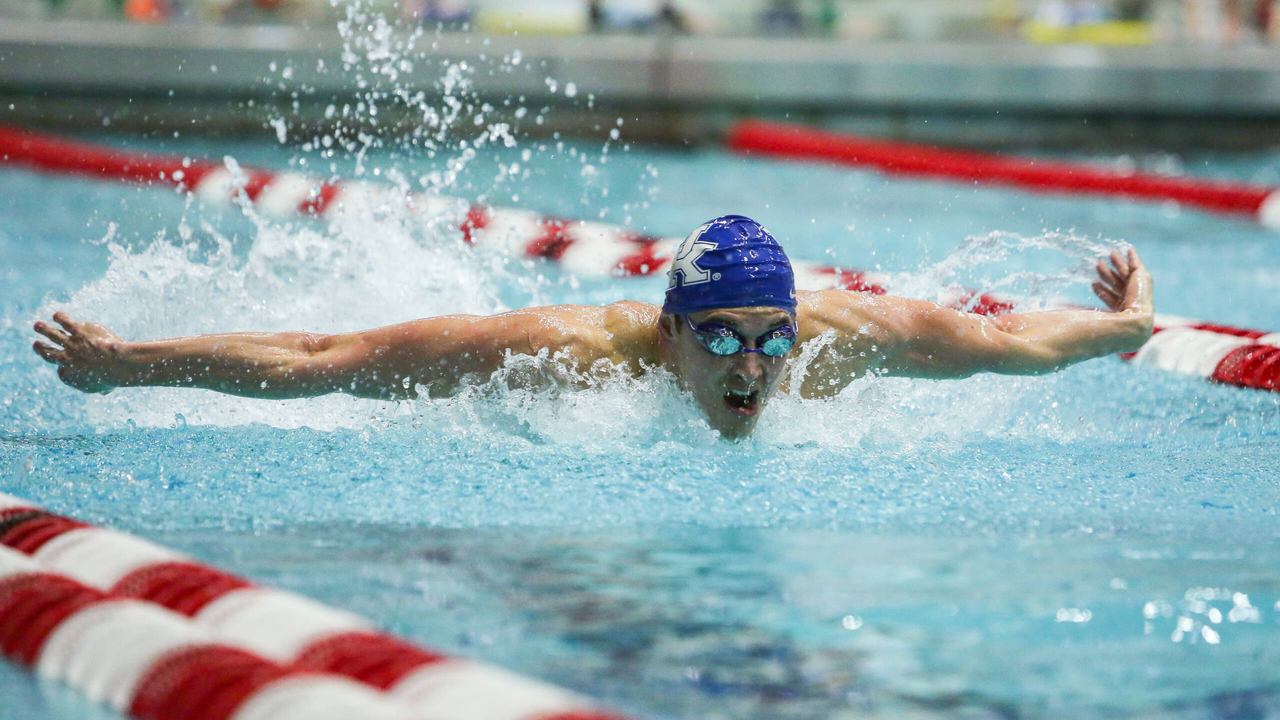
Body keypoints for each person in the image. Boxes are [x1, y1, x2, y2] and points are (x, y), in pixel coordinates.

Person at [32, 215, 1154, 441]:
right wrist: (126, 366)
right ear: (667, 332)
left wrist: (1130, 325)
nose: (754, 365)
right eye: (719, 339)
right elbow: (329, 359)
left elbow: (1016, 343)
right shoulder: (560, 352)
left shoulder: (848, 337)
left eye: (772, 336)